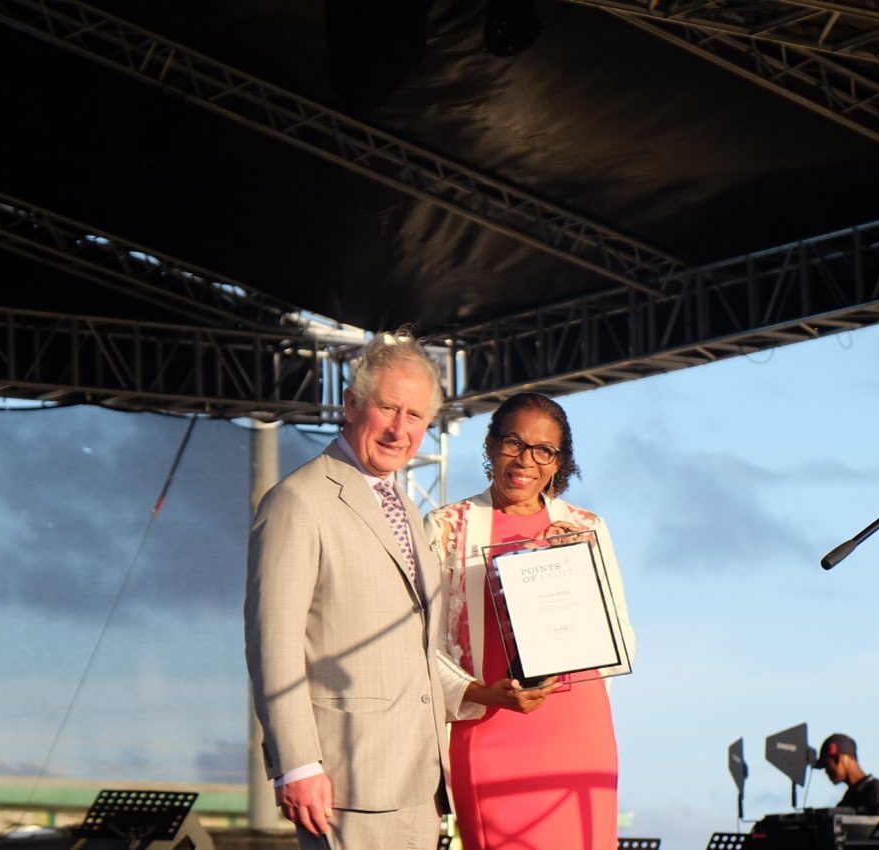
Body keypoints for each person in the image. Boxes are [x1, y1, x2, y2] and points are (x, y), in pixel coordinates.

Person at [244, 328, 475, 850]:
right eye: (388, 408)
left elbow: (418, 651)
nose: (400, 429)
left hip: (420, 782)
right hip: (345, 784)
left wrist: (482, 695)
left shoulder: (410, 513)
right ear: (350, 404)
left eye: (415, 416)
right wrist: (298, 764)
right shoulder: (297, 501)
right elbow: (272, 644)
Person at [426, 392, 635, 850]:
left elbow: (622, 637)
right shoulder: (446, 527)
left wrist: (578, 574)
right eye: (513, 443)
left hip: (580, 733)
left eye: (544, 450)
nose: (526, 461)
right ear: (490, 443)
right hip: (489, 728)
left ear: (560, 461)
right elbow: (422, 648)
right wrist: (481, 693)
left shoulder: (586, 527)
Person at [813, 733, 879, 815]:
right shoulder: (848, 798)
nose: (826, 772)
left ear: (839, 759)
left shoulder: (878, 791)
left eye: (827, 766)